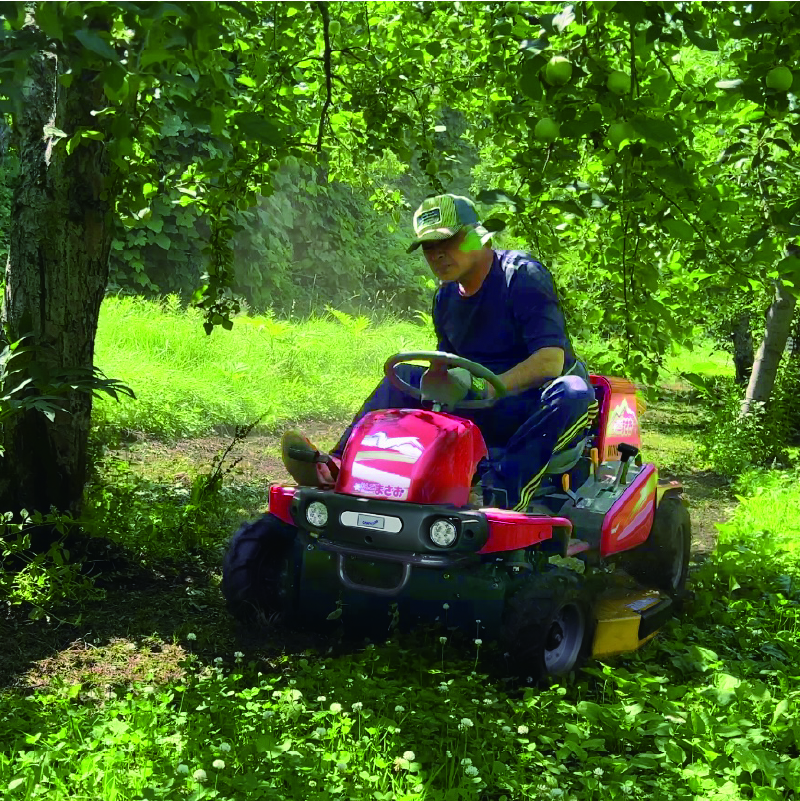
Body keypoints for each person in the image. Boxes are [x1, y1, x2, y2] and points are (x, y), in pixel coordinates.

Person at [282, 194, 597, 512]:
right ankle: (337, 467)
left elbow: (550, 361)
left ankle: (503, 499)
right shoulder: (445, 298)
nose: (438, 255)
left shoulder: (522, 276)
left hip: (532, 404)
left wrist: (486, 386)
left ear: (478, 235)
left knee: (572, 391)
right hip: (478, 402)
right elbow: (448, 362)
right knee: (403, 375)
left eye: (448, 241)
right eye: (429, 247)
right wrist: (440, 380)